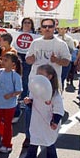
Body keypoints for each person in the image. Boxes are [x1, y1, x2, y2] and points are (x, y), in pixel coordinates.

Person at [24, 19, 71, 147]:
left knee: (50, 111)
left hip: (52, 85)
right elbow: (27, 59)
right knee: (30, 111)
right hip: (35, 83)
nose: (47, 29)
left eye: (50, 26)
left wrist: (57, 60)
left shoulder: (60, 44)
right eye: (44, 26)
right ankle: (29, 137)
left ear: (55, 27)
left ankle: (50, 137)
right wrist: (30, 59)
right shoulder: (35, 42)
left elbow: (67, 62)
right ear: (41, 28)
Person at [20, 64, 64, 158]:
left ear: (49, 77)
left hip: (48, 124)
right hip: (36, 123)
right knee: (32, 146)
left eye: (41, 75)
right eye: (37, 74)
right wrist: (28, 102)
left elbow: (59, 109)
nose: (38, 77)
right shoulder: (35, 90)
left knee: (49, 144)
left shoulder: (55, 94)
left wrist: (55, 121)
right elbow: (32, 104)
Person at [0, 52, 22, 153]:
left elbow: (19, 90)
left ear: (13, 64)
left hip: (10, 105)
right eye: (3, 59)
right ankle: (6, 136)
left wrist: (11, 95)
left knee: (8, 124)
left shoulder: (15, 76)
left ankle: (7, 144)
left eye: (6, 60)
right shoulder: (0, 72)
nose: (3, 62)